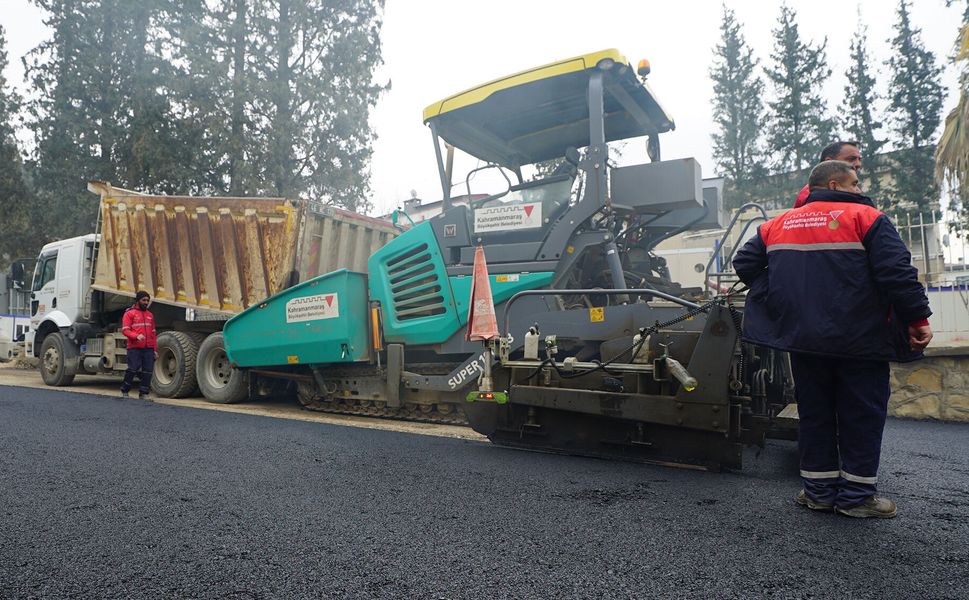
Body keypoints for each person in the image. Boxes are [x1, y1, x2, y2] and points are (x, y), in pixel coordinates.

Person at [733, 161, 932, 519]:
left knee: (815, 412)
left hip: (804, 339)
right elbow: (897, 273)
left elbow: (745, 263)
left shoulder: (778, 224)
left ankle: (819, 493)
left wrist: (778, 295)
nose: (859, 189)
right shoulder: (866, 217)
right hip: (860, 340)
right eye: (855, 183)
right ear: (835, 185)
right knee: (861, 414)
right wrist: (917, 318)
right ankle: (856, 498)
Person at [793, 141, 863, 208]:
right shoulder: (809, 193)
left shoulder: (852, 189)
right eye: (851, 159)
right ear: (829, 162)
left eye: (859, 159)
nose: (858, 164)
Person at [121, 290, 157, 400]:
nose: (146, 302)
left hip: (148, 348)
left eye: (147, 300)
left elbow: (153, 334)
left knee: (148, 371)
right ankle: (125, 390)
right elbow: (125, 330)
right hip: (134, 348)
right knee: (132, 369)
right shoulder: (129, 314)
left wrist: (155, 350)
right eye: (144, 300)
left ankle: (144, 393)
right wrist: (136, 336)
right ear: (137, 300)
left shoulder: (150, 315)